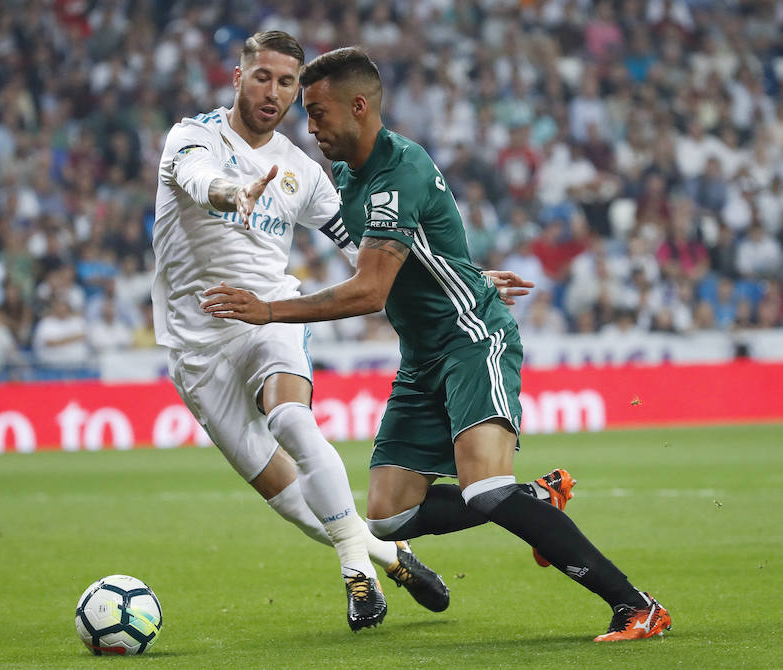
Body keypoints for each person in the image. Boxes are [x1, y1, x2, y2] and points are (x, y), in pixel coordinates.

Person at [202, 47, 672, 643]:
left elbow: (371, 290)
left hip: (471, 338)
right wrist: (467, 269)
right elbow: (395, 255)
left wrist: (268, 311)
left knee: (486, 488)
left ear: (358, 105)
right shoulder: (347, 177)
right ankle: (538, 499)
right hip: (422, 358)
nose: (310, 126)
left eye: (317, 113)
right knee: (389, 514)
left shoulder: (402, 170)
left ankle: (636, 606)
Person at [152, 31, 450, 632]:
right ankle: (391, 555)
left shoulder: (301, 169)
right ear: (238, 78)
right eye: (262, 77)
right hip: (196, 347)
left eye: (287, 83)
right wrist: (234, 192)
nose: (274, 92)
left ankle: (355, 574)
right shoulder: (191, 138)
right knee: (292, 500)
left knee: (291, 419)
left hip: (268, 315)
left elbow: (361, 247)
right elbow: (202, 181)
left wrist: (454, 276)